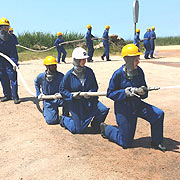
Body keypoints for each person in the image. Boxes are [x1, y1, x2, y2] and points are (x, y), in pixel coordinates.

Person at [100, 44, 166, 152]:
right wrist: (126, 92)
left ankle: (156, 141)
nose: (138, 62)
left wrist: (143, 91)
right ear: (128, 60)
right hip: (124, 109)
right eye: (136, 59)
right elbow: (110, 93)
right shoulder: (118, 74)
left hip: (137, 105)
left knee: (158, 114)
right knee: (126, 143)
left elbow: (144, 95)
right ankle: (107, 129)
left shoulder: (139, 72)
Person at [59, 47, 109, 134]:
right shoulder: (69, 75)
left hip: (89, 101)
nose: (84, 61)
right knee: (78, 130)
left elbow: (94, 86)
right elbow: (62, 90)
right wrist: (72, 96)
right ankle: (64, 119)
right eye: (82, 59)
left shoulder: (89, 72)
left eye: (84, 59)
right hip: (76, 104)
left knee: (103, 110)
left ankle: (96, 125)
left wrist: (89, 93)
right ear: (76, 60)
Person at [34, 56, 69, 125]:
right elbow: (36, 82)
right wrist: (38, 93)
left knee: (69, 100)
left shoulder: (61, 76)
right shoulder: (41, 77)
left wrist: (62, 94)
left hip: (59, 98)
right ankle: (48, 112)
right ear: (47, 67)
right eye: (52, 65)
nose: (54, 67)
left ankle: (65, 115)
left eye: (55, 65)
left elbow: (66, 86)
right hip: (48, 100)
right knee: (51, 121)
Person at [0, 17, 20, 104]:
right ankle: (7, 95)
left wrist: (14, 63)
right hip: (1, 62)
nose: (6, 29)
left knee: (13, 78)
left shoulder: (11, 38)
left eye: (7, 27)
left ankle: (15, 96)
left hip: (9, 61)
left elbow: (13, 52)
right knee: (3, 79)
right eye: (4, 27)